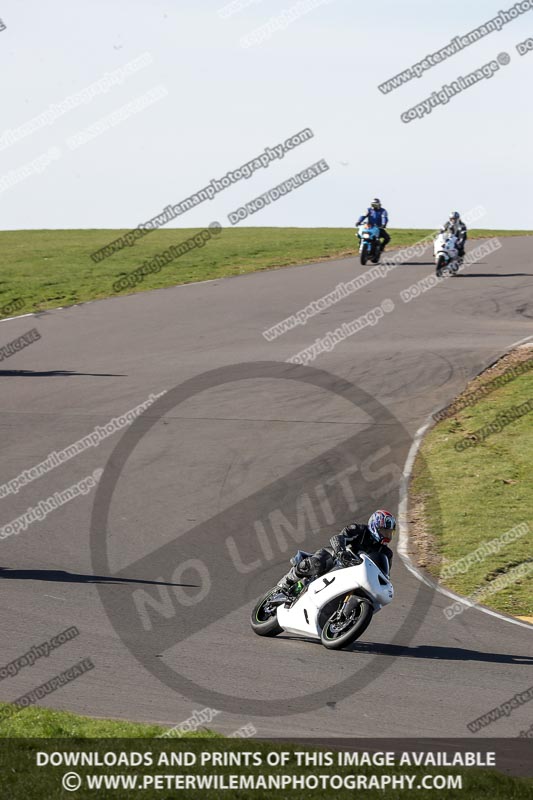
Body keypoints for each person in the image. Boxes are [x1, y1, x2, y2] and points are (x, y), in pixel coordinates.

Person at [276, 509, 396, 595]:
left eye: (390, 532)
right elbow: (339, 537)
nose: (387, 535)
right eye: (384, 531)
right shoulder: (359, 530)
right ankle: (287, 581)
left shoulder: (386, 553)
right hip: (337, 559)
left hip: (355, 574)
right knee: (316, 563)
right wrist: (341, 551)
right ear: (375, 526)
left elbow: (385, 574)